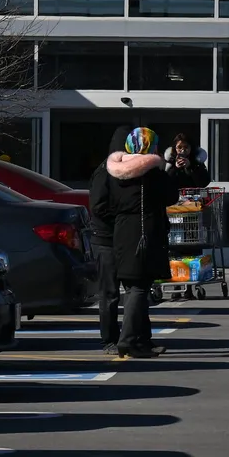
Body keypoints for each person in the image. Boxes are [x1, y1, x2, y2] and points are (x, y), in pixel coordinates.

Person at [99, 126, 180, 358]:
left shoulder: (113, 173)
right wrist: (170, 170)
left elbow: (106, 204)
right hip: (145, 231)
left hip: (122, 232)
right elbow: (170, 196)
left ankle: (141, 341)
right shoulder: (152, 173)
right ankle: (128, 340)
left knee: (134, 286)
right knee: (139, 287)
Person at [90, 125, 132, 354]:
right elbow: (98, 206)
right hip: (106, 239)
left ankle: (131, 337)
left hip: (123, 238)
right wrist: (123, 217)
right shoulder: (105, 172)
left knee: (133, 291)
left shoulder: (126, 171)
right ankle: (109, 339)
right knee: (109, 293)